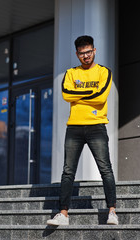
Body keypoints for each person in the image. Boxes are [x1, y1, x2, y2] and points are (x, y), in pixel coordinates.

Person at [47, 35, 118, 226]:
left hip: (97, 125)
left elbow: (101, 97)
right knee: (68, 171)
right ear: (77, 54)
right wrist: (89, 95)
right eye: (81, 53)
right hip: (74, 127)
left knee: (105, 169)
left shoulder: (104, 72)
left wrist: (78, 97)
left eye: (88, 52)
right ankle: (63, 214)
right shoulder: (70, 73)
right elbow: (65, 94)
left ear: (94, 51)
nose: (85, 56)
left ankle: (112, 211)